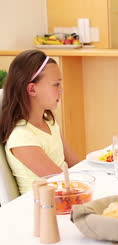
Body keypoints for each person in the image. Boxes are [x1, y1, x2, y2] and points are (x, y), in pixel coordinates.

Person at [0, 50, 80, 194]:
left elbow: (77, 166)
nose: (61, 90)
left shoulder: (50, 123)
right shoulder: (21, 137)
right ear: (32, 89)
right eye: (56, 84)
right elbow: (61, 182)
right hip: (42, 209)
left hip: (63, 197)